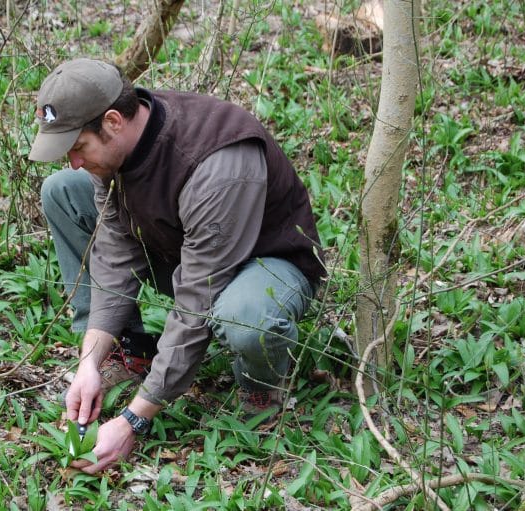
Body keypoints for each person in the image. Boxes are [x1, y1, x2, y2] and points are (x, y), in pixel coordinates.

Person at [30, 58, 326, 474]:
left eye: (78, 148)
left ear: (113, 121)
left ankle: (262, 388)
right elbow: (114, 254)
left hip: (267, 264)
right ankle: (128, 352)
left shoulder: (216, 164)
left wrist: (135, 418)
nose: (74, 161)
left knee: (246, 318)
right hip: (184, 247)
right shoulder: (115, 151)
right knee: (63, 190)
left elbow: (196, 299)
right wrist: (89, 363)